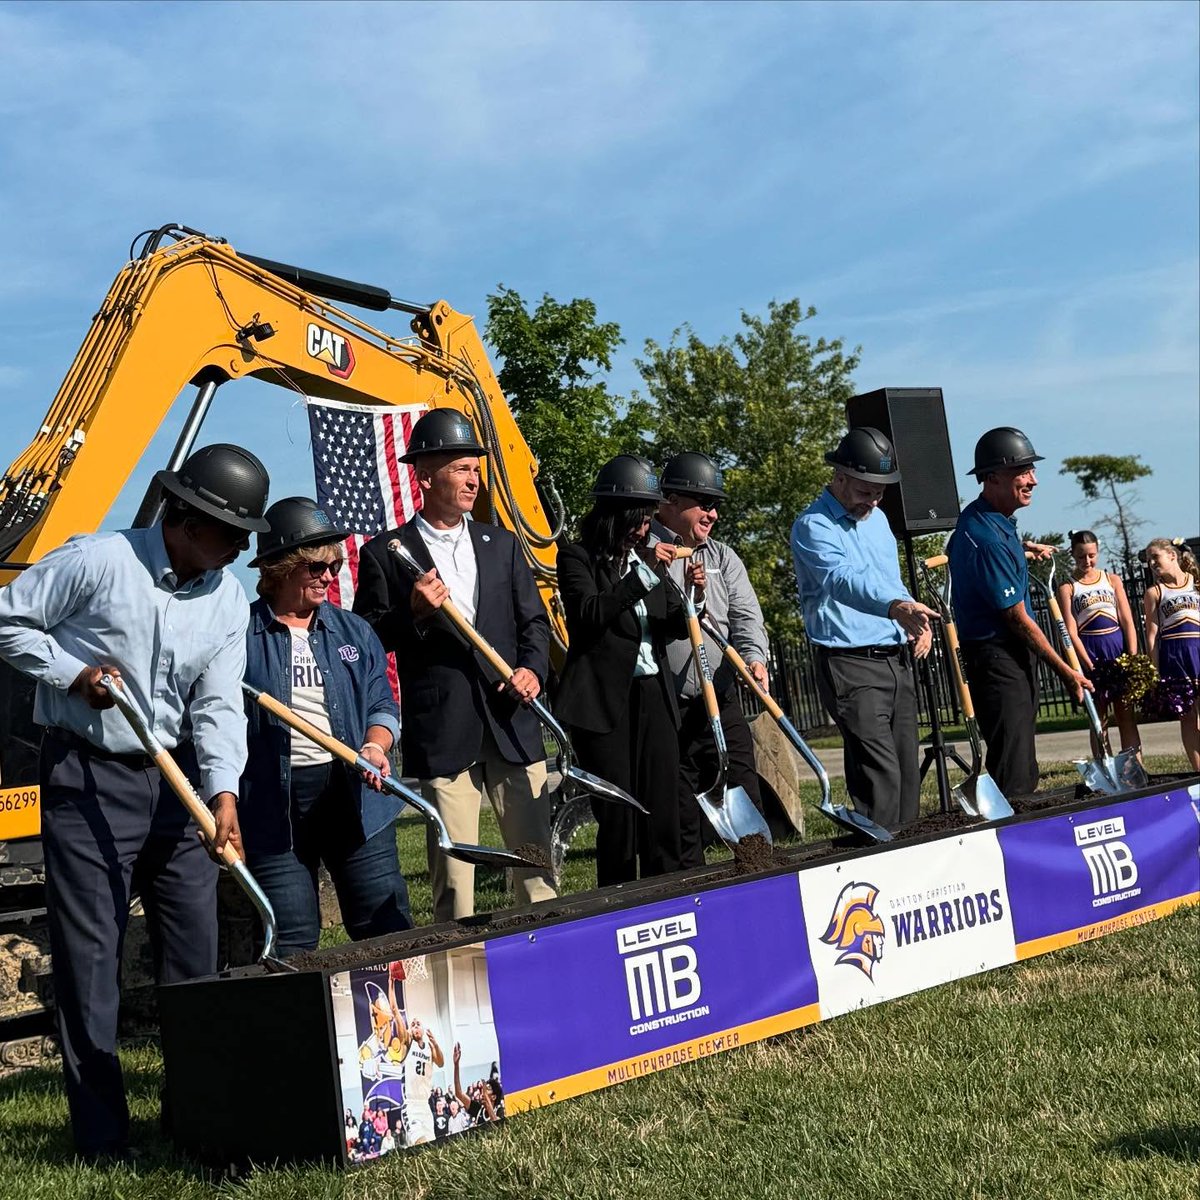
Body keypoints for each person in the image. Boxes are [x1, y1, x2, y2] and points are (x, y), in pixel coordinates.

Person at [0, 443, 269, 1160]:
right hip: (87, 774)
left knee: (195, 956)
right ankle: (101, 1137)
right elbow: (7, 620)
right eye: (231, 535)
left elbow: (217, 706)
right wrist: (70, 672)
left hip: (176, 785)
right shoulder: (96, 562)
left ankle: (201, 1121)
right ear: (184, 518)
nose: (242, 551)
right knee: (91, 961)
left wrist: (223, 793)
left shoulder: (225, 601)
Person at [353, 408, 556, 922]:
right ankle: (461, 974)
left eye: (475, 468)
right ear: (425, 476)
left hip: (512, 723)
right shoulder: (386, 553)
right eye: (461, 468)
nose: (473, 479)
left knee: (537, 871)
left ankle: (548, 959)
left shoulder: (502, 545)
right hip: (444, 730)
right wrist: (414, 613)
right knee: (456, 880)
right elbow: (366, 639)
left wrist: (533, 668)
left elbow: (534, 625)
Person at [240, 496, 411, 957]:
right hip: (274, 808)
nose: (328, 576)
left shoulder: (354, 631)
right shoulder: (239, 635)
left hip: (353, 797)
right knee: (292, 940)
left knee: (386, 929)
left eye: (334, 565)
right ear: (279, 567)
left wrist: (376, 745)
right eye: (315, 566)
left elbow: (381, 701)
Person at [554, 455, 700, 884]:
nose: (644, 530)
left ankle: (668, 889)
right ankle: (617, 898)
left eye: (648, 521)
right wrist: (644, 577)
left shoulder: (647, 562)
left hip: (653, 693)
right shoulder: (577, 559)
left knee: (662, 807)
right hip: (603, 702)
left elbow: (673, 624)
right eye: (637, 521)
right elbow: (590, 614)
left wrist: (693, 594)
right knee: (619, 816)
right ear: (613, 517)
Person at [791, 428, 938, 832]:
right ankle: (879, 863)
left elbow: (888, 580)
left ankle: (909, 855)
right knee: (880, 774)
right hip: (850, 665)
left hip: (896, 659)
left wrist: (915, 619)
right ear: (839, 477)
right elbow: (842, 579)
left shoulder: (880, 521)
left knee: (908, 771)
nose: (872, 501)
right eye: (864, 491)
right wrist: (894, 607)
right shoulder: (813, 526)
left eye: (879, 493)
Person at [948, 427, 1090, 797]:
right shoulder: (988, 538)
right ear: (992, 477)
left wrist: (1024, 549)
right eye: (1023, 471)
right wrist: (1066, 670)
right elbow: (1017, 618)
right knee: (1014, 764)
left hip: (1005, 653)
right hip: (997, 657)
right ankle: (1015, 835)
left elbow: (991, 561)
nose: (1033, 480)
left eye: (1031, 469)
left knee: (1022, 752)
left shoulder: (988, 518)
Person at [652, 451, 771, 866]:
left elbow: (746, 616)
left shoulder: (722, 558)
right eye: (705, 503)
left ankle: (758, 873)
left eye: (717, 505)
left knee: (743, 791)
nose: (713, 514)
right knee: (682, 816)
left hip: (719, 699)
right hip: (666, 708)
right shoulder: (643, 553)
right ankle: (690, 893)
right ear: (670, 501)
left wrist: (755, 658)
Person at [1056, 530, 1141, 754]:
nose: (1087, 561)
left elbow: (1127, 621)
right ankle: (1106, 769)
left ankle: (1135, 769)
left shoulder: (1111, 580)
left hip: (1117, 650)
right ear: (1073, 554)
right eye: (1082, 556)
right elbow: (1070, 631)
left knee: (1126, 714)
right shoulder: (1068, 587)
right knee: (1098, 718)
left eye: (1092, 555)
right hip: (1090, 653)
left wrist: (1131, 658)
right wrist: (1088, 665)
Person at [1143, 537, 1200, 772]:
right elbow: (1152, 634)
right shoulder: (1155, 592)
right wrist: (1154, 669)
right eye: (1148, 561)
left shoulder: (1196, 583)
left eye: (1155, 557)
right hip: (1175, 657)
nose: (1152, 563)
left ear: (1172, 555)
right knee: (1187, 716)